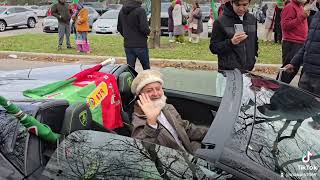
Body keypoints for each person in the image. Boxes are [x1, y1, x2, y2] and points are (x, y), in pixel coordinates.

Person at [131, 70, 208, 154]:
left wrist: (211, 134)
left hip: (188, 151)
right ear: (140, 95)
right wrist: (151, 122)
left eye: (158, 89)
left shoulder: (167, 107)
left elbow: (186, 128)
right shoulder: (138, 119)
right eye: (149, 90)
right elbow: (143, 150)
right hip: (172, 163)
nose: (156, 94)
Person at [209, 0, 258, 71]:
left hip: (248, 72)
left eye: (244, 5)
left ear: (249, 3)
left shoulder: (252, 19)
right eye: (238, 5)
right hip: (228, 73)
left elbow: (254, 41)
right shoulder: (220, 21)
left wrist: (253, 58)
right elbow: (213, 48)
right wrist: (231, 42)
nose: (241, 8)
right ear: (232, 3)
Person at [279, 0, 309, 83]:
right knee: (288, 70)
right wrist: (302, 17)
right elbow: (285, 26)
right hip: (292, 42)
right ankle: (278, 90)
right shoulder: (290, 6)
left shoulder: (300, 6)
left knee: (294, 69)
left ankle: (281, 89)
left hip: (300, 42)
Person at [117, 0, 150, 70]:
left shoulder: (122, 11)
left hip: (128, 44)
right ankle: (148, 81)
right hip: (140, 44)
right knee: (146, 68)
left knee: (130, 70)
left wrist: (126, 35)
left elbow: (119, 27)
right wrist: (148, 32)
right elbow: (144, 28)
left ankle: (131, 81)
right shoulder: (141, 11)